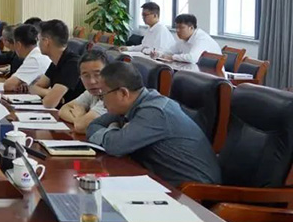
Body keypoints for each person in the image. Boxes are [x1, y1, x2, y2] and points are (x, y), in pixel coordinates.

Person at [87, 62, 221, 186]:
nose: (102, 101)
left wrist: (113, 132)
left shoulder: (155, 112)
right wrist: (115, 130)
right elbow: (92, 126)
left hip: (192, 191)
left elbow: (115, 146)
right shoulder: (128, 106)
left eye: (103, 94)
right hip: (159, 181)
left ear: (123, 93)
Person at [29, 20, 85, 108]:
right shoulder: (56, 62)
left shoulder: (73, 64)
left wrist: (49, 95)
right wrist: (49, 92)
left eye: (39, 40)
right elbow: (33, 88)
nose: (38, 44)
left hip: (72, 113)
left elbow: (49, 103)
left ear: (46, 41)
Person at [58, 50, 109, 133]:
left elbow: (81, 127)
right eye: (86, 76)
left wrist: (80, 117)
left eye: (97, 75)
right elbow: (63, 110)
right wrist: (79, 120)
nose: (92, 81)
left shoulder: (111, 96)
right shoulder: (92, 92)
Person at [3, 23, 51, 92]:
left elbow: (8, 85)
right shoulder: (37, 53)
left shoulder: (34, 59)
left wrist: (22, 84)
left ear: (18, 45)